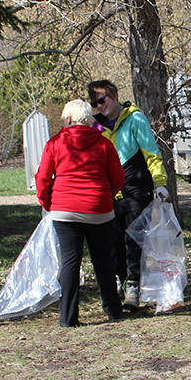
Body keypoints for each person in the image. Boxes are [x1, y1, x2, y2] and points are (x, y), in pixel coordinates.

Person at [35, 99, 125, 327]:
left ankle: (68, 316)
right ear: (88, 121)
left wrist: (48, 202)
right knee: (103, 259)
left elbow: (43, 178)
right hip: (99, 209)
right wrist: (104, 196)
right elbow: (118, 178)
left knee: (70, 262)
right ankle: (113, 309)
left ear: (68, 120)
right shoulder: (104, 144)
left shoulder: (55, 143)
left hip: (65, 210)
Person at [87, 79, 169, 310]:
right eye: (95, 104)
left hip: (136, 189)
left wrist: (160, 182)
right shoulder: (97, 127)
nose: (100, 106)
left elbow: (151, 153)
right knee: (113, 242)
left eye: (102, 100)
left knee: (134, 240)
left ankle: (134, 287)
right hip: (110, 193)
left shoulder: (135, 119)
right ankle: (120, 282)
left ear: (113, 95)